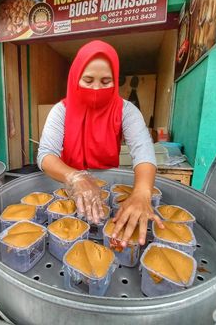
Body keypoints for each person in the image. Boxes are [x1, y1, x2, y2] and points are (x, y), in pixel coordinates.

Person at [37, 40, 163, 247]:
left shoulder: (126, 111)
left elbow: (143, 151)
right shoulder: (61, 111)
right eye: (88, 80)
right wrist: (75, 177)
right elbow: (46, 155)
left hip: (108, 184)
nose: (96, 88)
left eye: (106, 82)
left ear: (115, 80)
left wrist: (142, 192)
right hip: (67, 186)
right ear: (75, 78)